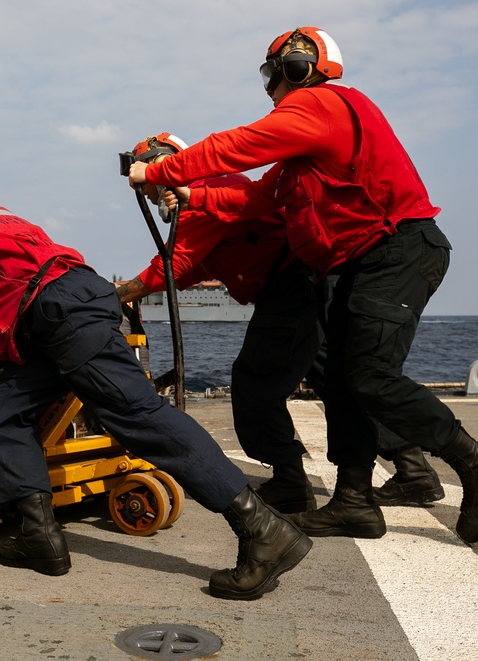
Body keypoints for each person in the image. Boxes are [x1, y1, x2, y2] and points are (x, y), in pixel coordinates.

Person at [127, 27, 478, 545]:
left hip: (395, 251)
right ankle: (354, 502)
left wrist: (166, 168)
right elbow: (260, 203)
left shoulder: (321, 104)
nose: (271, 89)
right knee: (342, 381)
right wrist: (193, 194)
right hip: (353, 263)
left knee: (370, 376)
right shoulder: (301, 156)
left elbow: (240, 145)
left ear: (298, 67)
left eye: (274, 75)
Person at [0, 162, 312, 600]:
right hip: (60, 312)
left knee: (138, 414)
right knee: (4, 414)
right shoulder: (9, 219)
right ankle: (39, 536)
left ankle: (262, 529)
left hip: (57, 315)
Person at [115, 133, 323, 514]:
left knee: (254, 381)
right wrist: (135, 287)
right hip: (304, 283)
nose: (146, 194)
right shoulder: (212, 189)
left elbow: (175, 265)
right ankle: (410, 465)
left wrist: (119, 295)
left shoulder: (204, 194)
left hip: (290, 286)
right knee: (340, 377)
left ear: (164, 167)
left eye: (147, 184)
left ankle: (291, 483)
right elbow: (198, 265)